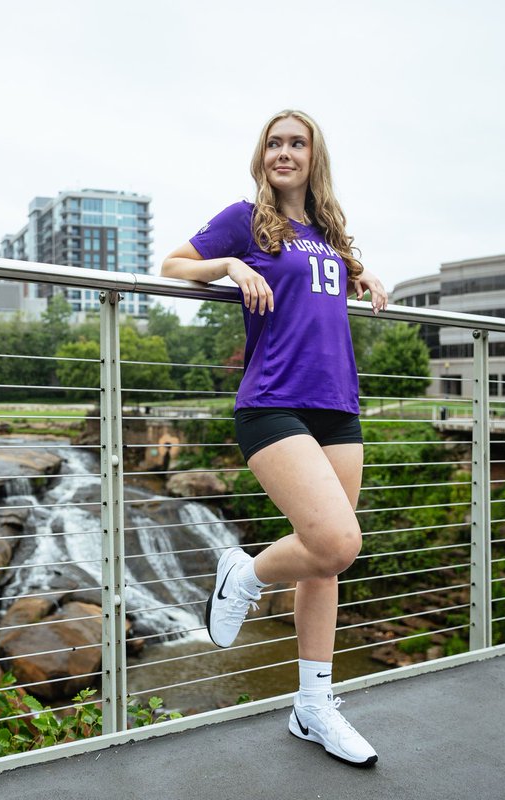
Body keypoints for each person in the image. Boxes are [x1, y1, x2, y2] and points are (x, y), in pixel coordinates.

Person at [162, 109, 388, 766]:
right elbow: (171, 265)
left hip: (338, 406)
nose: (284, 152)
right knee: (337, 539)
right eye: (274, 143)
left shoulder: (327, 231)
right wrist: (231, 265)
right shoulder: (245, 219)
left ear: (315, 157)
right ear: (261, 155)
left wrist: (364, 273)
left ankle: (313, 707)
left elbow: (326, 284)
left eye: (297, 143)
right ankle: (245, 573)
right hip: (272, 402)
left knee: (327, 562)